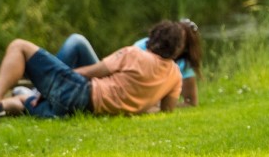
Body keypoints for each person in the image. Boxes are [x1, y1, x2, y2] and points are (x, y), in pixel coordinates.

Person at [0, 20, 185, 119]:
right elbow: (166, 112)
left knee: (19, 46)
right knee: (24, 103)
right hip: (84, 111)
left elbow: (93, 71)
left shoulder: (134, 54)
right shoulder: (175, 74)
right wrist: (140, 105)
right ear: (176, 49)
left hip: (82, 94)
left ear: (152, 37)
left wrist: (53, 79)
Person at [50, 18, 202, 106]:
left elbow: (190, 102)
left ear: (184, 48)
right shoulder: (143, 48)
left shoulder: (181, 67)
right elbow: (129, 80)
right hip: (113, 86)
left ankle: (47, 86)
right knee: (77, 42)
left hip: (126, 99)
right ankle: (47, 85)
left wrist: (157, 104)